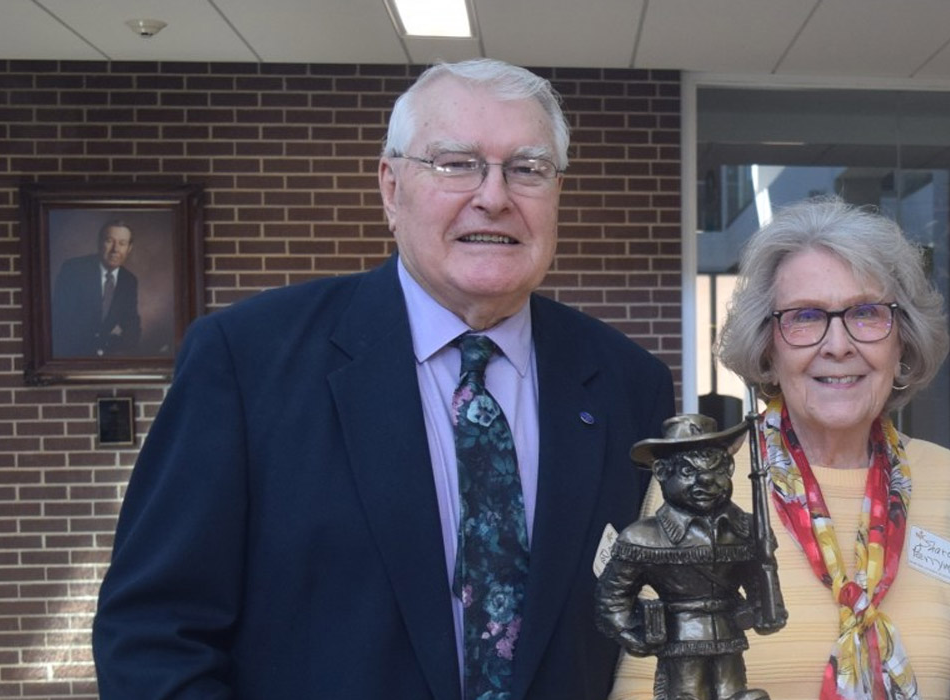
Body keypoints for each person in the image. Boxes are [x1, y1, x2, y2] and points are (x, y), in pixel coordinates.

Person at [92, 58, 676, 700]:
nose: (494, 196)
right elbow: (153, 634)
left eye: (527, 169)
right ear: (391, 190)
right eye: (456, 163)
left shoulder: (629, 385)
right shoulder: (245, 361)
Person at [610, 198, 950, 700]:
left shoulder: (948, 481)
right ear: (768, 346)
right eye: (806, 317)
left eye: (866, 312)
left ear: (901, 340)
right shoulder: (700, 484)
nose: (838, 345)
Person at [596, 414, 784, 700]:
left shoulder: (747, 529)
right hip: (679, 640)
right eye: (688, 471)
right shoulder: (642, 538)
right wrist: (631, 632)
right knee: (687, 694)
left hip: (730, 637)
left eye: (716, 468)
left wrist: (765, 608)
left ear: (730, 467)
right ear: (662, 471)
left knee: (734, 694)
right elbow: (612, 597)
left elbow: (756, 581)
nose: (706, 480)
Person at [52, 219, 141, 356]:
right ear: (99, 243)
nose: (115, 249)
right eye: (109, 241)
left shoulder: (129, 281)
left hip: (108, 355)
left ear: (129, 248)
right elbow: (60, 321)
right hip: (71, 354)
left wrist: (110, 346)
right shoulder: (73, 269)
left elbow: (132, 328)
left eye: (122, 243)